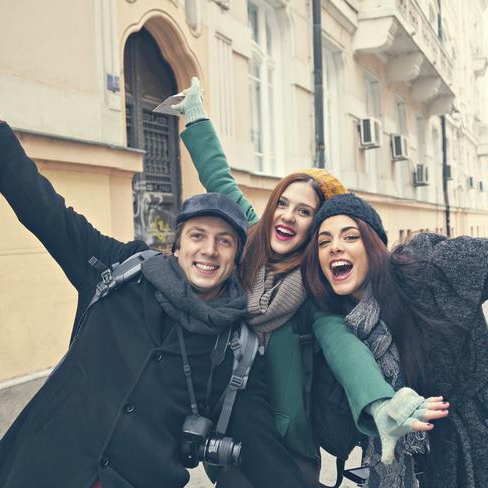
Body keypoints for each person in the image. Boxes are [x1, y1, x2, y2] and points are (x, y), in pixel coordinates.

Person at [0, 73, 309, 488]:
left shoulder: (234, 345)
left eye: (224, 242)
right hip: (43, 466)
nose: (208, 250)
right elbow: (45, 211)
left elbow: (262, 446)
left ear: (235, 257)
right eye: (197, 236)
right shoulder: (121, 270)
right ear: (177, 246)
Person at [173, 78, 448, 487]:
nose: (287, 216)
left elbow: (342, 345)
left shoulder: (312, 285)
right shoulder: (250, 244)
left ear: (315, 228)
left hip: (285, 445)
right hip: (228, 426)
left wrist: (380, 403)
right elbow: (221, 180)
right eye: (282, 203)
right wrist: (195, 117)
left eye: (304, 212)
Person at [302, 192, 488, 487]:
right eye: (324, 242)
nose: (334, 247)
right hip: (425, 470)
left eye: (350, 237)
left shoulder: (429, 273)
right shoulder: (336, 327)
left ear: (374, 244)